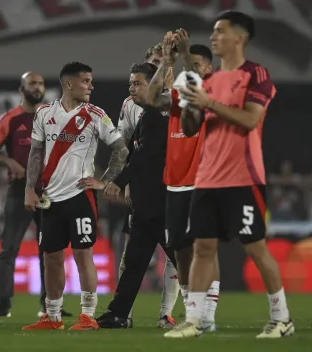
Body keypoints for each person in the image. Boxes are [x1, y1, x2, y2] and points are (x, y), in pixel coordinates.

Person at [164, 11, 294, 339]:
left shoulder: (256, 74)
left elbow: (250, 120)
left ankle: (282, 318)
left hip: (244, 176)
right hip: (208, 178)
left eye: (220, 31)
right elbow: (192, 129)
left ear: (239, 37)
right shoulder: (207, 80)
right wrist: (191, 107)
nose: (213, 37)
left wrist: (209, 102)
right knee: (202, 247)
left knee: (254, 246)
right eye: (213, 31)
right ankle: (196, 320)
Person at [22, 62, 128, 331]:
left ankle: (88, 316)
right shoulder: (44, 113)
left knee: (83, 256)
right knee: (51, 259)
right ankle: (53, 317)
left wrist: (104, 182)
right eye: (86, 81)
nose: (91, 86)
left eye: (91, 81)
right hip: (51, 199)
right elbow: (35, 152)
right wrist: (29, 188)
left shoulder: (95, 114)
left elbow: (121, 149)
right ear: (68, 84)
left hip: (81, 197)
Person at [0, 72, 72, 318]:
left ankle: (51, 305)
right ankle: (3, 305)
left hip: (49, 190)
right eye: (32, 83)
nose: (38, 87)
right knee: (9, 248)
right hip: (20, 190)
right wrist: (9, 161)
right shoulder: (11, 119)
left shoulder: (53, 116)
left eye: (41, 83)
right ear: (22, 88)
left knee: (51, 249)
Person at [147, 31, 220, 331]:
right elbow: (151, 98)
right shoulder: (177, 95)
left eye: (198, 64)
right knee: (179, 249)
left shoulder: (213, 92)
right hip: (175, 182)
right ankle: (193, 315)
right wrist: (167, 61)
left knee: (205, 249)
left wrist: (186, 54)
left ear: (209, 70)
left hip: (202, 181)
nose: (194, 68)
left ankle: (208, 318)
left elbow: (193, 82)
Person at [96, 62, 177, 329]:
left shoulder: (158, 117)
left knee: (182, 260)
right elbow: (133, 153)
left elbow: (141, 158)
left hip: (163, 203)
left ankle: (204, 309)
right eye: (130, 83)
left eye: (138, 83)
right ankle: (118, 314)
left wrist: (119, 182)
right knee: (134, 262)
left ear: (153, 86)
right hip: (145, 204)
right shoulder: (145, 117)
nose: (132, 89)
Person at [117, 43, 179, 328]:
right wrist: (126, 182)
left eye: (161, 63)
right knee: (133, 251)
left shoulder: (179, 98)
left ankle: (166, 312)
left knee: (174, 253)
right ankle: (123, 314)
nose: (156, 68)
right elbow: (126, 146)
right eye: (152, 63)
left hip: (173, 185)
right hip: (143, 188)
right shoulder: (131, 104)